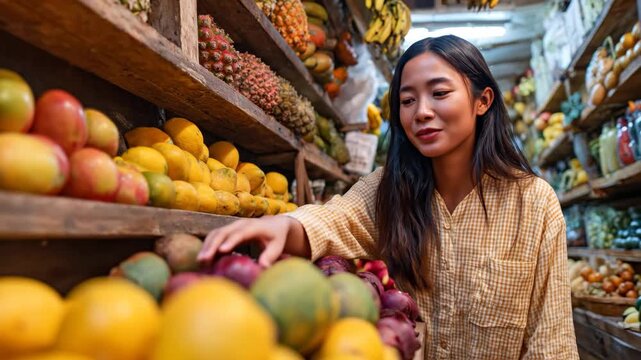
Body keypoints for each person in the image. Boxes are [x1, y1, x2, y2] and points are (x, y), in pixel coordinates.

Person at [198, 35, 578, 360]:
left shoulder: (533, 202)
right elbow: (336, 219)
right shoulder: (390, 188)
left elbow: (552, 341)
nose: (422, 112)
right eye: (407, 100)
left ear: (483, 101)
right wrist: (283, 223)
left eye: (440, 93)